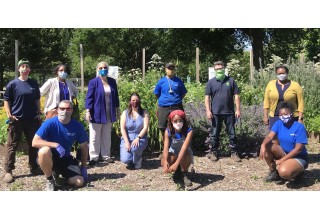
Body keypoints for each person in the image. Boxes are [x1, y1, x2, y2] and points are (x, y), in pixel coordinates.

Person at [32, 100, 89, 191]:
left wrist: (84, 166)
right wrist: (55, 145)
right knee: (44, 151)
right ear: (57, 110)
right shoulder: (49, 123)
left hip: (65, 158)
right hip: (50, 157)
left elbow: (84, 146)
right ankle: (50, 179)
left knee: (79, 182)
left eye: (68, 109)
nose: (65, 111)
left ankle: (59, 174)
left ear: (72, 110)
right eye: (62, 108)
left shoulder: (77, 126)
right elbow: (34, 142)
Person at [2, 58, 42, 183]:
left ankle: (34, 167)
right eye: (22, 66)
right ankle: (8, 170)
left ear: (29, 69)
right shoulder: (12, 84)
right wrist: (9, 114)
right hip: (17, 120)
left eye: (27, 66)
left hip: (31, 120)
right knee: (12, 145)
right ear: (19, 69)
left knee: (33, 144)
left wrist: (38, 112)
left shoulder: (33, 84)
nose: (25, 68)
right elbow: (6, 100)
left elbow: (36, 99)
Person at [259, 102, 308, 183]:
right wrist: (263, 144)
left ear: (291, 114)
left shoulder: (299, 127)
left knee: (283, 172)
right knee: (268, 146)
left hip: (298, 157)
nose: (283, 116)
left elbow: (298, 150)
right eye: (281, 114)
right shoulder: (278, 123)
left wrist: (280, 161)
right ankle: (273, 172)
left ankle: (298, 173)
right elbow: (270, 136)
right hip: (284, 153)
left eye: (285, 114)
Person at [205, 61, 241, 162]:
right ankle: (214, 152)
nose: (219, 71)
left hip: (229, 112)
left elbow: (236, 96)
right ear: (214, 70)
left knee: (232, 133)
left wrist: (238, 109)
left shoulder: (231, 81)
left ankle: (234, 152)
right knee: (215, 133)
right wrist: (208, 111)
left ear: (224, 69)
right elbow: (207, 97)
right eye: (217, 69)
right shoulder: (211, 82)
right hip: (215, 112)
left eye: (220, 69)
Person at [85, 61, 120, 166]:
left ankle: (106, 155)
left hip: (109, 112)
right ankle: (94, 157)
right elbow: (89, 97)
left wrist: (118, 109)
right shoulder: (93, 82)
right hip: (96, 112)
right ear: (97, 69)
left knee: (106, 135)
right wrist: (88, 111)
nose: (103, 69)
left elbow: (116, 96)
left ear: (108, 69)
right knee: (94, 136)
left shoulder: (112, 82)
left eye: (105, 67)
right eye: (100, 68)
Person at [263, 65, 304, 130]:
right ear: (276, 74)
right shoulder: (271, 84)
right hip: (275, 116)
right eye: (279, 73)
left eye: (283, 73)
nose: (281, 75)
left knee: (290, 136)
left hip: (291, 116)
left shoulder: (295, 85)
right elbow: (266, 101)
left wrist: (300, 118)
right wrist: (265, 116)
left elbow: (300, 102)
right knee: (274, 136)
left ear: (287, 73)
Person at [154, 62, 187, 141]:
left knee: (179, 126)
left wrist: (176, 100)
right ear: (165, 70)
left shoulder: (178, 81)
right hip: (164, 107)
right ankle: (166, 147)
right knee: (162, 127)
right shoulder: (161, 81)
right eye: (169, 69)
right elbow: (157, 94)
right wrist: (164, 100)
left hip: (176, 106)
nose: (171, 70)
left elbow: (183, 93)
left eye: (172, 69)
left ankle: (178, 145)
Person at [161, 110, 193, 187]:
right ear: (171, 121)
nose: (178, 123)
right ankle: (177, 171)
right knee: (164, 160)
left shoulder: (189, 131)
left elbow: (184, 148)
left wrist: (176, 163)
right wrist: (165, 161)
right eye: (175, 121)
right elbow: (165, 147)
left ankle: (184, 173)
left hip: (185, 153)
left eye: (180, 120)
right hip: (173, 152)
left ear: (183, 120)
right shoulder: (168, 131)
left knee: (184, 155)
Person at [119, 92, 149, 170]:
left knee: (135, 148)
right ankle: (133, 158)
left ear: (139, 101)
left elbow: (145, 127)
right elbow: (122, 128)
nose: (135, 102)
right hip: (127, 138)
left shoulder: (144, 112)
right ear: (130, 101)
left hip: (140, 138)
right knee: (125, 159)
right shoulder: (125, 113)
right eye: (133, 100)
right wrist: (126, 142)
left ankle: (138, 159)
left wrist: (138, 138)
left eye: (137, 100)